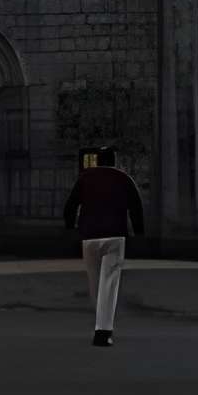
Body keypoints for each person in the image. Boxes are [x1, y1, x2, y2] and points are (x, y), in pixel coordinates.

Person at [61, 145, 144, 346]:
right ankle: (103, 331)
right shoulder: (124, 178)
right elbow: (136, 207)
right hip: (115, 235)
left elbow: (70, 206)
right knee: (109, 282)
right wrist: (139, 232)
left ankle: (100, 320)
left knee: (95, 282)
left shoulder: (85, 178)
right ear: (114, 160)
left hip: (89, 236)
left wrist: (70, 227)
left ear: (97, 161)